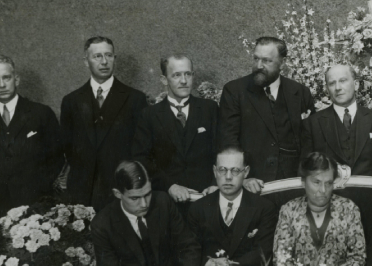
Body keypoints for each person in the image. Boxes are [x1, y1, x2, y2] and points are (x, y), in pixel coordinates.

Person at [0, 55, 63, 227]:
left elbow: (57, 158)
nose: (2, 85)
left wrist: (37, 190)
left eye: (6, 78)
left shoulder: (41, 114)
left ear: (16, 79)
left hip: (35, 208)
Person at [60, 36, 148, 211]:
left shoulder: (135, 99)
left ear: (115, 58)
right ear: (86, 61)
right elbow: (68, 147)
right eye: (97, 56)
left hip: (120, 187)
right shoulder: (71, 101)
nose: (104, 61)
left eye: (109, 55)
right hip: (83, 189)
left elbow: (141, 148)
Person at [219, 36, 315, 192]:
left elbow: (309, 142)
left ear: (282, 63)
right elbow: (228, 138)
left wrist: (304, 178)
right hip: (252, 185)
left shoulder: (300, 92)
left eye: (266, 61)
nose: (258, 66)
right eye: (256, 59)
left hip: (292, 184)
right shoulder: (234, 91)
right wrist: (243, 177)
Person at [272, 152, 367, 266]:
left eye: (328, 183)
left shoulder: (349, 209)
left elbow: (357, 259)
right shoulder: (289, 210)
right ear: (303, 181)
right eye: (316, 182)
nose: (323, 190)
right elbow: (281, 258)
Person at [132, 54, 219, 207]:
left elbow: (222, 149)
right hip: (167, 203)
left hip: (207, 199)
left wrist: (215, 184)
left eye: (188, 74)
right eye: (176, 75)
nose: (184, 81)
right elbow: (141, 159)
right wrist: (170, 186)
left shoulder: (209, 109)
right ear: (164, 79)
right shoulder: (149, 115)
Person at [187, 147, 278, 266]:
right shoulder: (198, 208)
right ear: (214, 171)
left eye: (235, 170)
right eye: (222, 170)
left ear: (246, 172)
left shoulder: (264, 208)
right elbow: (190, 250)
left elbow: (263, 253)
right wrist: (208, 264)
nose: (228, 177)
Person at [300, 63, 372, 176]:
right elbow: (306, 170)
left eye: (343, 81)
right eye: (332, 83)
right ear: (327, 89)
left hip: (370, 191)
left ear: (356, 84)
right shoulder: (312, 124)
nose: (338, 88)